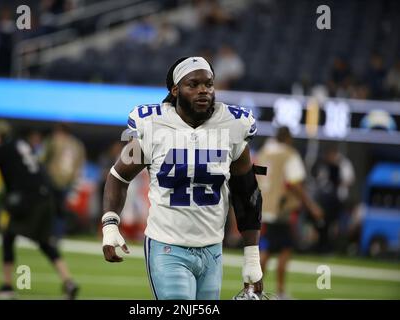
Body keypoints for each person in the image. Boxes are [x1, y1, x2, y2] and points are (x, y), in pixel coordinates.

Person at [101, 56, 264, 300]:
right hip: (167, 246)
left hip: (212, 249)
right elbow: (118, 176)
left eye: (208, 84)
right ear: (175, 90)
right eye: (193, 84)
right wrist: (110, 224)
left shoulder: (232, 125)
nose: (203, 91)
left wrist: (252, 256)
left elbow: (247, 191)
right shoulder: (153, 125)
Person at [0, 120, 79, 300]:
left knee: (8, 236)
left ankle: (7, 286)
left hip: (27, 199)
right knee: (43, 242)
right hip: (45, 196)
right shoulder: (21, 144)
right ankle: (69, 281)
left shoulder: (2, 149)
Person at [256, 126, 324, 299]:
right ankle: (278, 291)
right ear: (287, 138)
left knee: (266, 248)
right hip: (281, 209)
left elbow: (255, 177)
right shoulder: (289, 154)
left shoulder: (264, 152)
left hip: (263, 207)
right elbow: (294, 183)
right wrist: (311, 205)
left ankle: (255, 291)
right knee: (284, 249)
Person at [41, 123, 86, 241]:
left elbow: (43, 158)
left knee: (49, 209)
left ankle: (47, 234)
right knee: (61, 210)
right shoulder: (77, 144)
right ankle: (58, 236)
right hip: (68, 181)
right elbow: (80, 165)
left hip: (52, 179)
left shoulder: (53, 141)